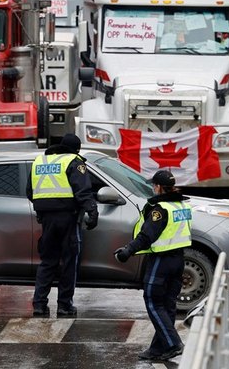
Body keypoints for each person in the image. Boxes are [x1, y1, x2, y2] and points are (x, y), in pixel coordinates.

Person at [114, 170, 191, 362]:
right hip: (179, 260)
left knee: (153, 301)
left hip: (162, 261)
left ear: (158, 187)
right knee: (167, 305)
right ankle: (158, 348)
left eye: (153, 185)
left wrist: (127, 251)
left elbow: (147, 236)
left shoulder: (160, 209)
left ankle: (173, 343)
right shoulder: (181, 205)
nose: (152, 189)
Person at [30, 133, 99, 318]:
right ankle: (64, 306)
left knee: (47, 262)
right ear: (76, 149)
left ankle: (39, 305)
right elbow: (83, 191)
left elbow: (30, 191)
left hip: (46, 220)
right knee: (70, 263)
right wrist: (92, 211)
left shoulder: (40, 161)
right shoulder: (74, 161)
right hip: (68, 219)